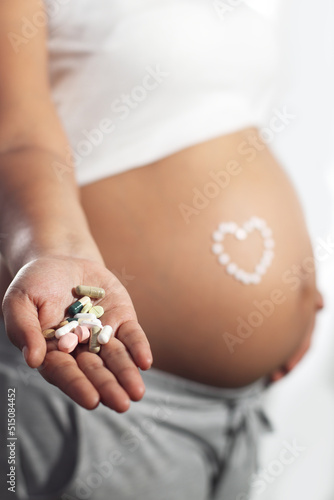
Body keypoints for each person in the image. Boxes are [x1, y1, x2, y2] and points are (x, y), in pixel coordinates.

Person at [0, 1, 324, 499]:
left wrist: (292, 287)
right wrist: (52, 250)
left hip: (242, 409)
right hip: (100, 396)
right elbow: (15, 137)